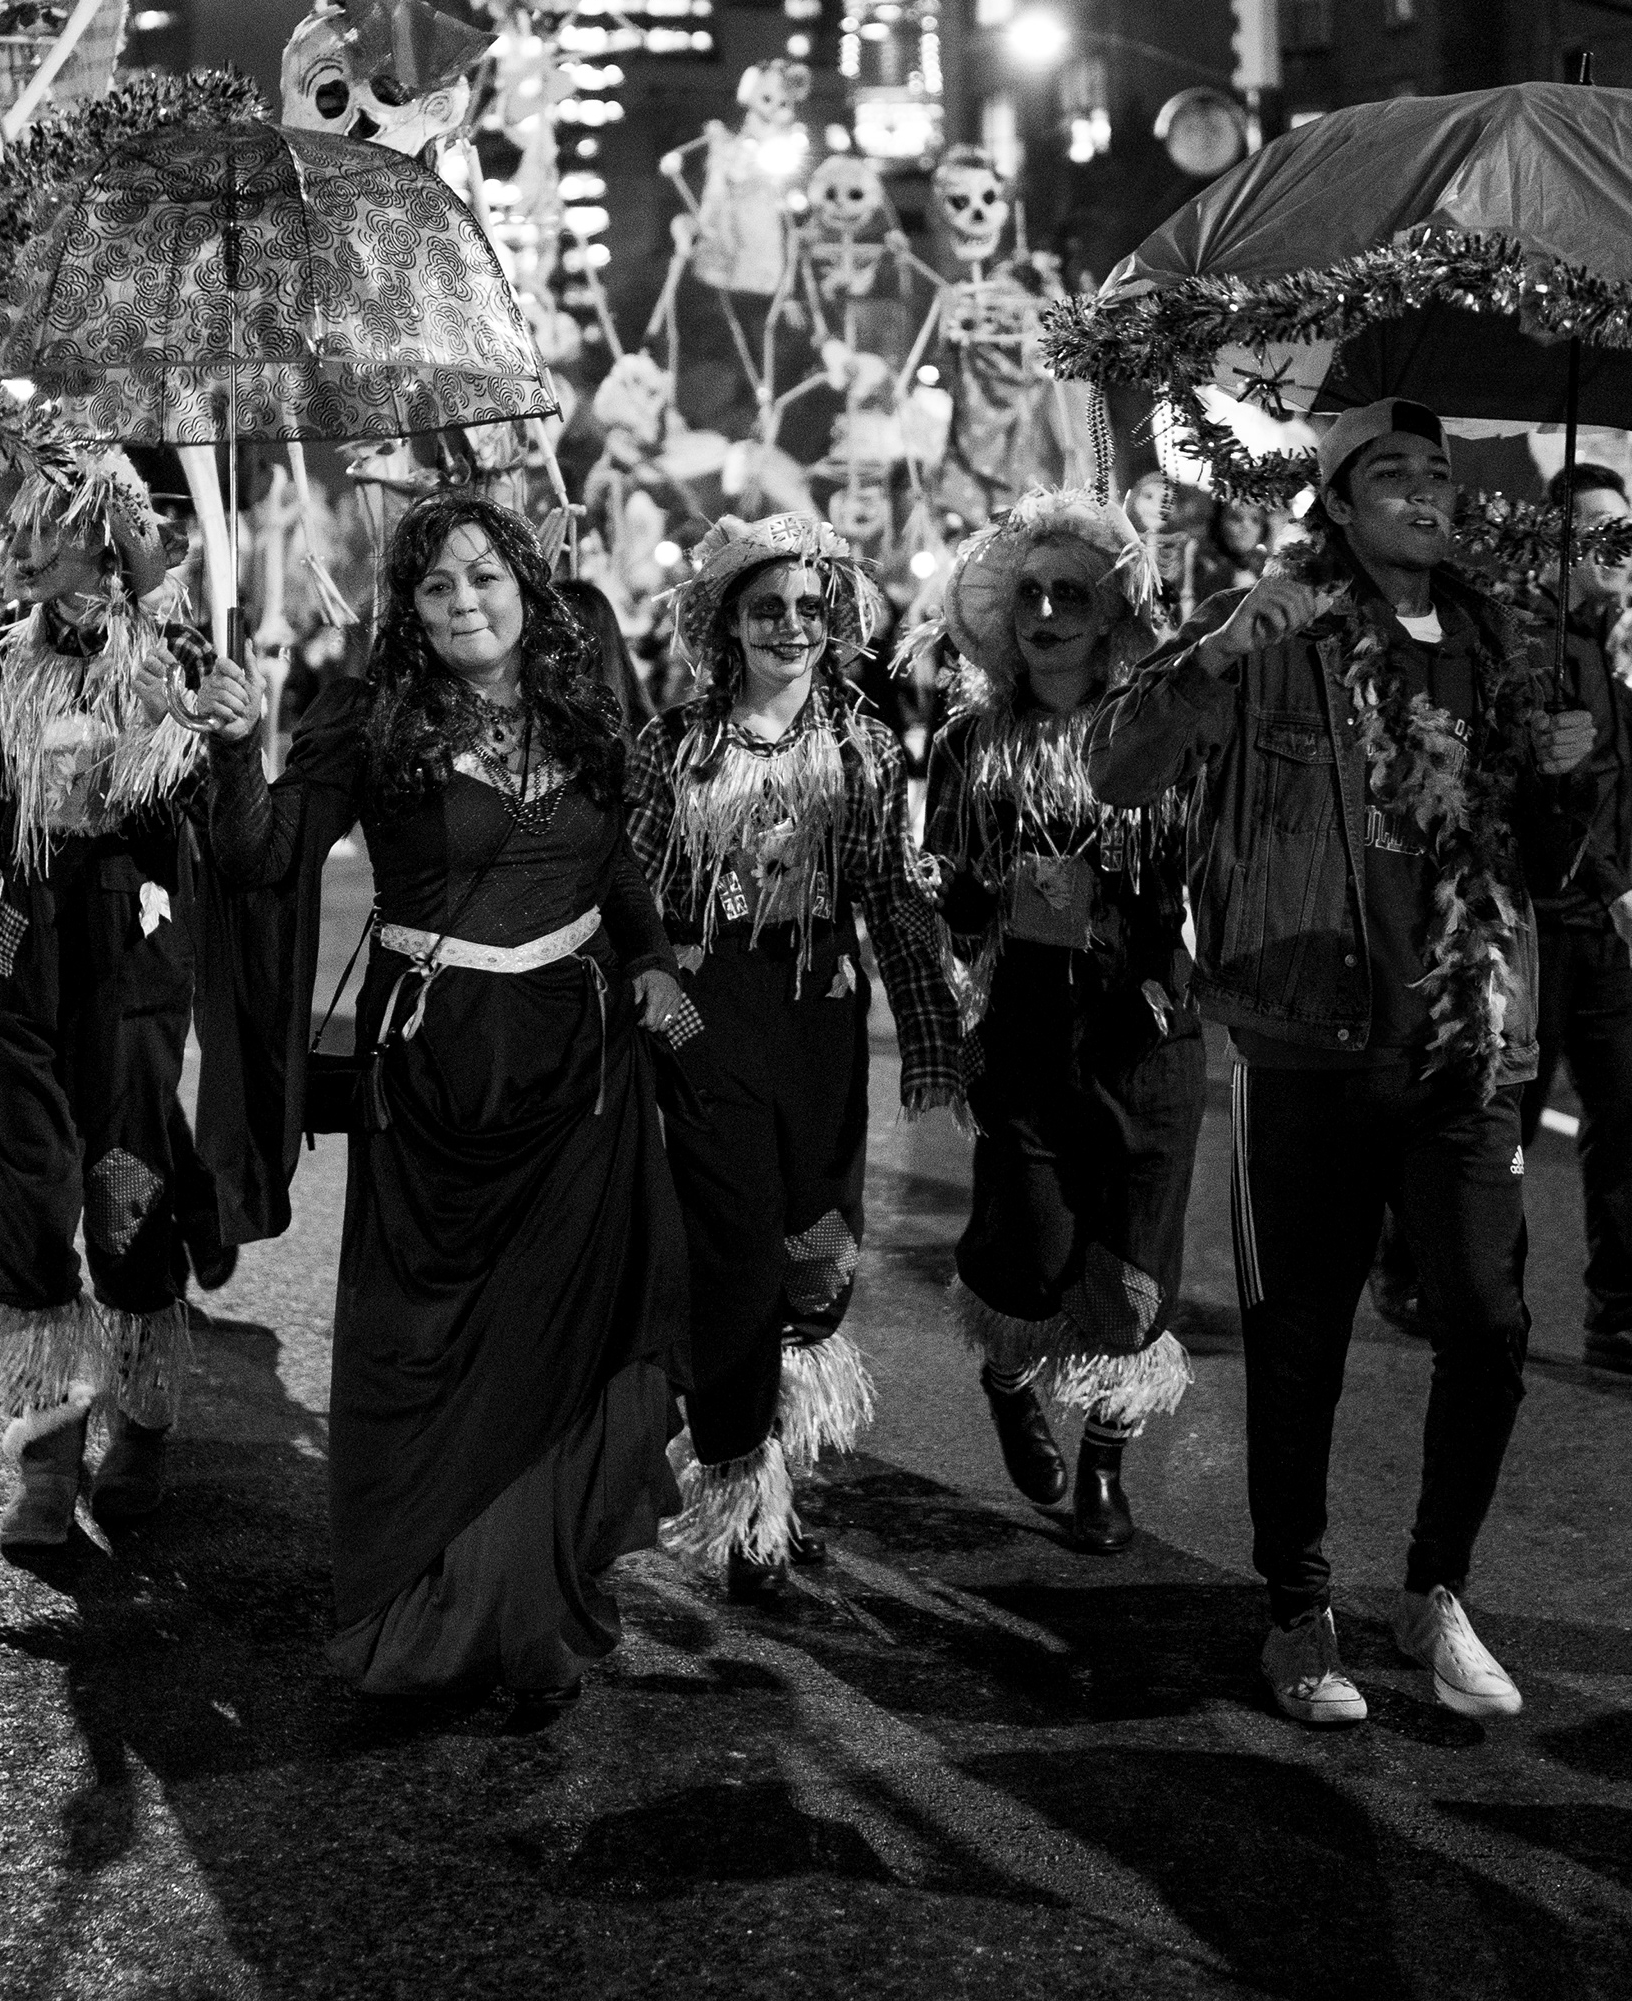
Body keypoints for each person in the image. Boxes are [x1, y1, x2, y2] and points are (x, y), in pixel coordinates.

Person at [1090, 398, 1594, 1730]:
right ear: (1337, 503)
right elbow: (1121, 769)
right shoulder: (1279, 622)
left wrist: (1565, 779)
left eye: (1438, 472)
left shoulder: (1504, 644)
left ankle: (1436, 1588)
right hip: (1309, 1033)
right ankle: (1298, 1608)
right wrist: (1207, 664)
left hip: (1466, 1044)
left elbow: (1547, 868)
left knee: (1488, 1323)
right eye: (1393, 474)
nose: (1426, 491)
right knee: (1300, 1340)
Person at [203, 495, 692, 1717]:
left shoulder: (580, 700)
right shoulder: (366, 717)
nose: (467, 601)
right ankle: (430, 1608)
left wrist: (651, 959)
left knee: (560, 1347)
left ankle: (539, 1611)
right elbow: (261, 858)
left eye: (486, 576)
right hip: (436, 1082)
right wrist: (229, 744)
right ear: (408, 612)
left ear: (528, 584)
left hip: (580, 1076)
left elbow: (615, 861)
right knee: (431, 1349)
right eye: (436, 587)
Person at [0, 445, 253, 1551]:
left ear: (107, 542)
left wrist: (210, 713)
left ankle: (145, 1423)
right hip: (20, 942)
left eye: (45, 529)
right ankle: (45, 1454)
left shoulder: (174, 655)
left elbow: (210, 806)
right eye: (14, 528)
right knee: (31, 1189)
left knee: (126, 1183)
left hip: (130, 939)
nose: (19, 548)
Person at [628, 512, 968, 1597]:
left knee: (817, 1251)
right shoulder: (672, 745)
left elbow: (891, 897)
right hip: (711, 1018)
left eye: (809, 608)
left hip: (819, 1018)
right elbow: (628, 891)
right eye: (766, 605)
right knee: (733, 1259)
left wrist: (930, 1035)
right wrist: (657, 985)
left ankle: (774, 1466)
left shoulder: (864, 746)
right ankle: (740, 1498)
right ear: (727, 619)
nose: (789, 625)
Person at [922, 491, 1202, 1550]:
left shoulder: (1160, 732)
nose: (1046, 611)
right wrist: (948, 889)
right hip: (1028, 1033)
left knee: (1130, 1267)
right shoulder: (967, 741)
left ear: (1110, 610)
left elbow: (1210, 860)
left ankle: (1102, 1464)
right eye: (1029, 594)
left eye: (1070, 592)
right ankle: (1007, 1380)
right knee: (1029, 1254)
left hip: (1144, 1032)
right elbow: (947, 885)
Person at [1442, 464, 1632, 1382]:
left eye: (1627, 528)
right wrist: (1617, 893)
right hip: (1533, 927)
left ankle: (1622, 1317)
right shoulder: (1526, 644)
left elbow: (1608, 794)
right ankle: (1478, 1300)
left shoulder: (1604, 645)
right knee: (1507, 1128)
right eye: (1598, 527)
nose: (1623, 545)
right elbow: (1534, 798)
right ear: (1555, 538)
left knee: (1623, 1119)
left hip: (1601, 927)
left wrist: (1625, 897)